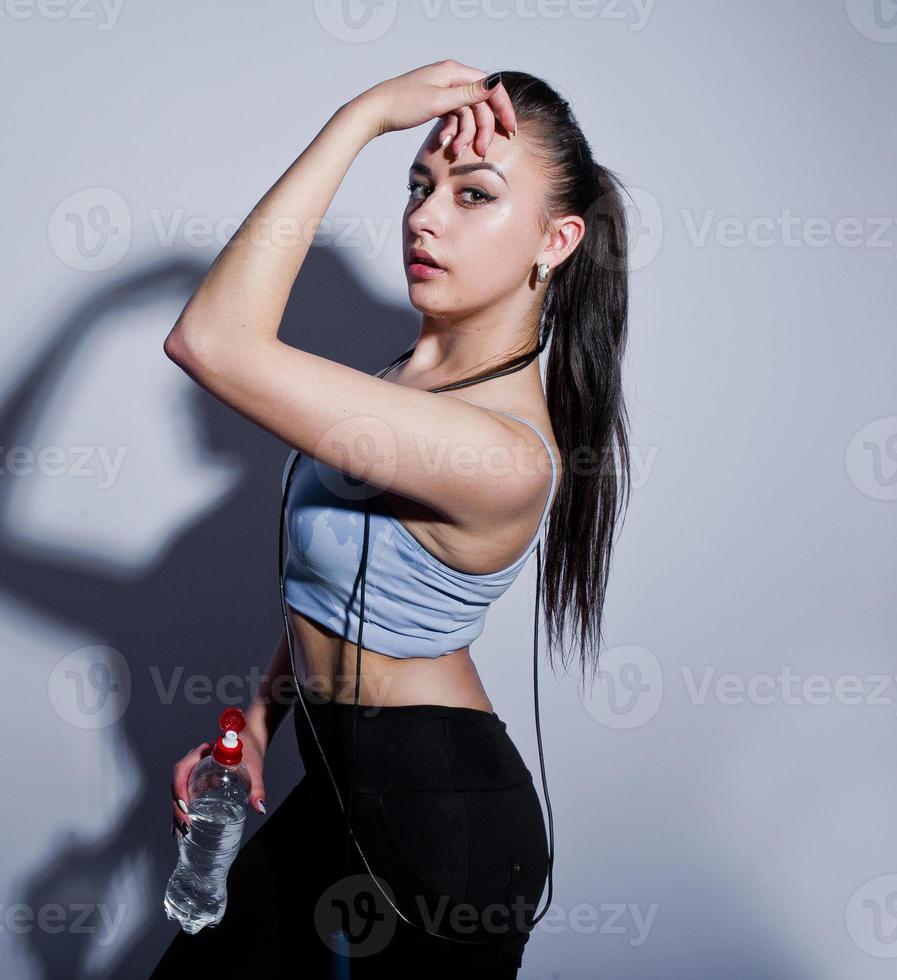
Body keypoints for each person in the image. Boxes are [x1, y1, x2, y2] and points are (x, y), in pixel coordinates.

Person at [149, 63, 632, 977]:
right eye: (418, 185)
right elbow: (336, 586)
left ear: (556, 241)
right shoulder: (390, 386)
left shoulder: (502, 452)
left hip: (443, 823)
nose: (423, 216)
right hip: (333, 790)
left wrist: (362, 115)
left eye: (473, 193)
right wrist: (256, 722)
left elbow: (208, 341)